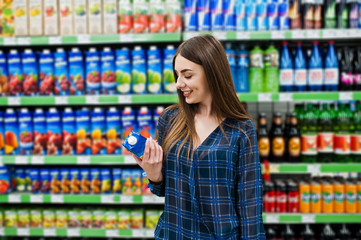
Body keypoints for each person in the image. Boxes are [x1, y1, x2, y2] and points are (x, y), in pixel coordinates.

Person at [133, 34, 265, 240]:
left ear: (212, 73)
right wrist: (154, 175)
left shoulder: (241, 130)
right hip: (173, 234)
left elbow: (250, 206)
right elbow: (163, 190)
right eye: (177, 75)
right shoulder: (171, 119)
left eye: (187, 75)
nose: (178, 84)